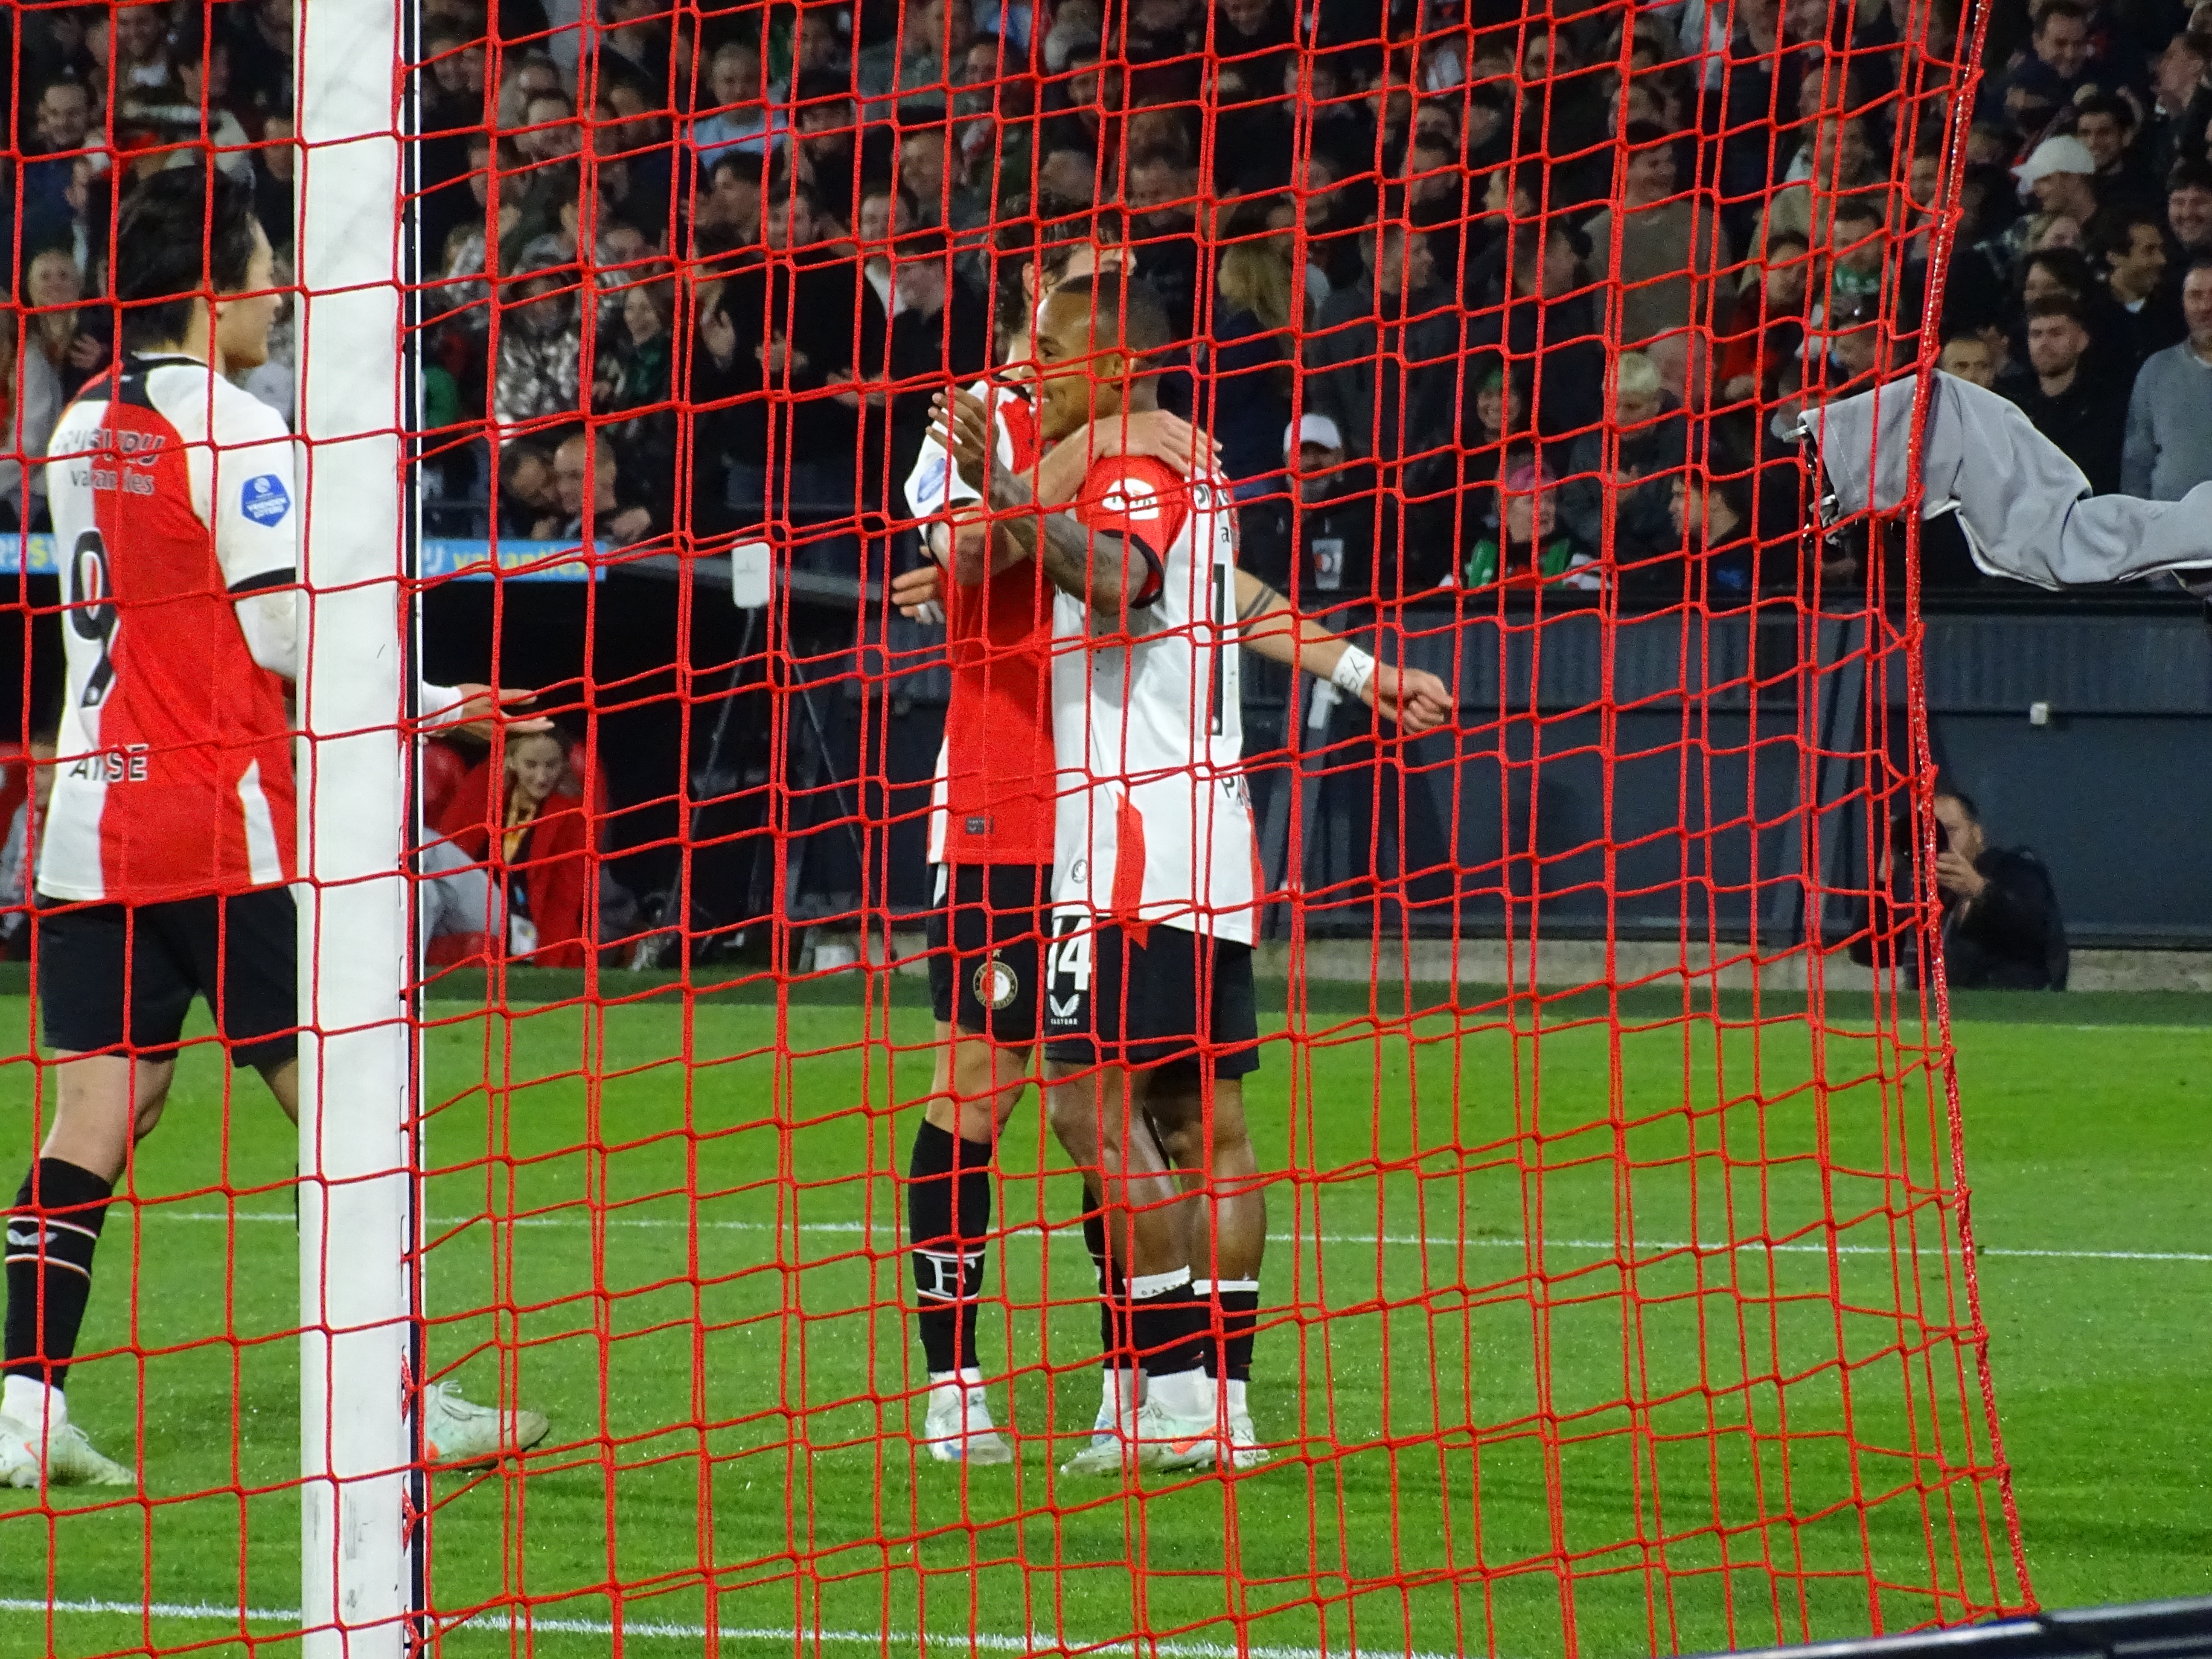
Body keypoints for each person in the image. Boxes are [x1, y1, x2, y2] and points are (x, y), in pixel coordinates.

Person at [2, 166, 551, 1490]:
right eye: (265, 269)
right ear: (219, 288)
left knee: (97, 1114)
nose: (282, 296)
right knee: (358, 1115)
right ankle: (403, 1400)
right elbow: (286, 632)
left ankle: (21, 1412)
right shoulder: (239, 424)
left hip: (91, 817)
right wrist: (432, 701)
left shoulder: (81, 421)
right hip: (225, 826)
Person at [920, 275, 1448, 1476]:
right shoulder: (1193, 464)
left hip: (1125, 836)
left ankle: (1165, 1398)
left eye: (1051, 352)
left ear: (1115, 362)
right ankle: (1222, 1405)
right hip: (1217, 827)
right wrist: (1364, 668)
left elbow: (1122, 579)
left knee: (1082, 1107)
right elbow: (1216, 594)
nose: (1029, 371)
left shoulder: (1130, 468)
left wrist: (1024, 486)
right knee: (1204, 1123)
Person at [1855, 790, 2069, 991]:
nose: (1938, 841)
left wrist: (1978, 889)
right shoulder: (1929, 894)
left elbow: (2039, 931)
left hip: (2008, 1010)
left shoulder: (2016, 870)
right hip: (1938, 1017)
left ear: (1977, 834)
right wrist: (1884, 879)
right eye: (1926, 833)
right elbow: (1867, 951)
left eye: (1949, 830)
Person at [426, 729, 597, 967]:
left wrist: (544, 963)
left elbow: (565, 898)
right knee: (428, 890)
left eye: (551, 766)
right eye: (531, 765)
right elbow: (455, 843)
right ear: (511, 762)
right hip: (469, 912)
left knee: (427, 845)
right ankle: (410, 980)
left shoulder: (572, 816)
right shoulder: (485, 791)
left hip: (518, 927)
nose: (541, 777)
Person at [2008, 296, 2131, 492]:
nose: (2044, 343)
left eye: (2056, 334)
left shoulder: (2106, 406)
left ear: (2082, 341)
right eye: (2036, 334)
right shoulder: (2011, 401)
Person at [2121, 255, 2212, 498]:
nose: (2205, 307)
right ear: (2183, 303)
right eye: (2196, 296)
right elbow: (2136, 464)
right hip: (2170, 527)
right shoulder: (2156, 370)